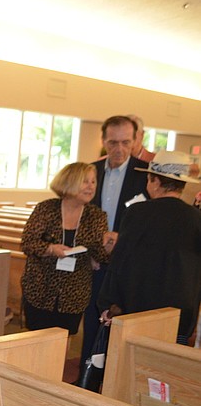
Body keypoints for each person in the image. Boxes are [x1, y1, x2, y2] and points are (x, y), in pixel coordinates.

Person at [99, 150, 201, 345]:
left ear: (155, 181)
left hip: (138, 309)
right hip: (179, 313)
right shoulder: (196, 218)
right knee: (168, 360)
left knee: (131, 360)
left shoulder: (138, 212)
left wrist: (108, 302)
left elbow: (121, 260)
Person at [79, 115, 148, 381]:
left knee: (121, 326)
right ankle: (86, 378)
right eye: (112, 142)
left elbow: (148, 223)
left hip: (128, 264)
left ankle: (114, 381)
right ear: (103, 140)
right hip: (94, 262)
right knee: (91, 320)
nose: (119, 149)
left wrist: (123, 237)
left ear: (135, 140)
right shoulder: (91, 171)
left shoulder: (144, 174)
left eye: (125, 142)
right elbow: (80, 215)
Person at [20, 162, 111, 336]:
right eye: (85, 181)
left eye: (93, 182)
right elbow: (27, 243)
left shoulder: (96, 216)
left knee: (64, 340)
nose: (91, 187)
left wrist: (108, 248)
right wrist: (51, 249)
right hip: (40, 288)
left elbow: (100, 255)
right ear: (70, 182)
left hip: (74, 293)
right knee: (36, 339)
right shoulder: (46, 208)